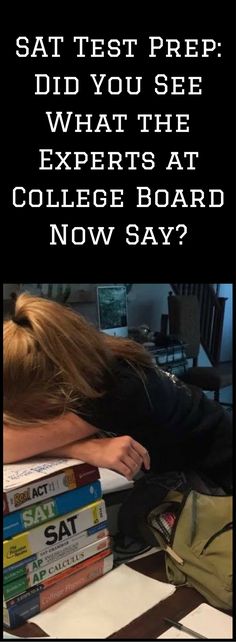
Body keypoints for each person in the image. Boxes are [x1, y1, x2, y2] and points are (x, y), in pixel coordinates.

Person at [3, 293, 232, 492]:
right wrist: (81, 448)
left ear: (57, 383)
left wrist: (72, 446)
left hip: (219, 469)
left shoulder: (118, 388)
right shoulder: (93, 365)